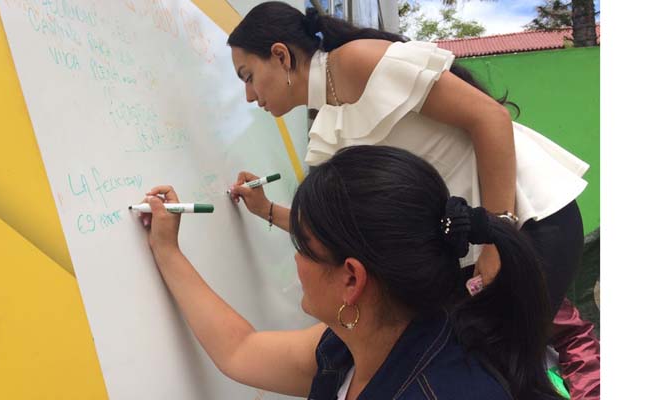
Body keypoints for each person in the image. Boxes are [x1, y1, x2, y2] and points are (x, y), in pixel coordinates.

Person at [225, 3, 599, 397]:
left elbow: (491, 118)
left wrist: (496, 233)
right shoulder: (328, 116)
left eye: (248, 77)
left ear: (281, 55)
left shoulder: (356, 61)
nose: (249, 96)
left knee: (499, 369)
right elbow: (341, 228)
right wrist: (266, 211)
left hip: (529, 222)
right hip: (473, 240)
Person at [139, 145, 565, 400]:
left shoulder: (446, 386)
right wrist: (167, 249)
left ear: (351, 279)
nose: (295, 260)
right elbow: (240, 350)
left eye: (302, 247)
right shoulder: (365, 342)